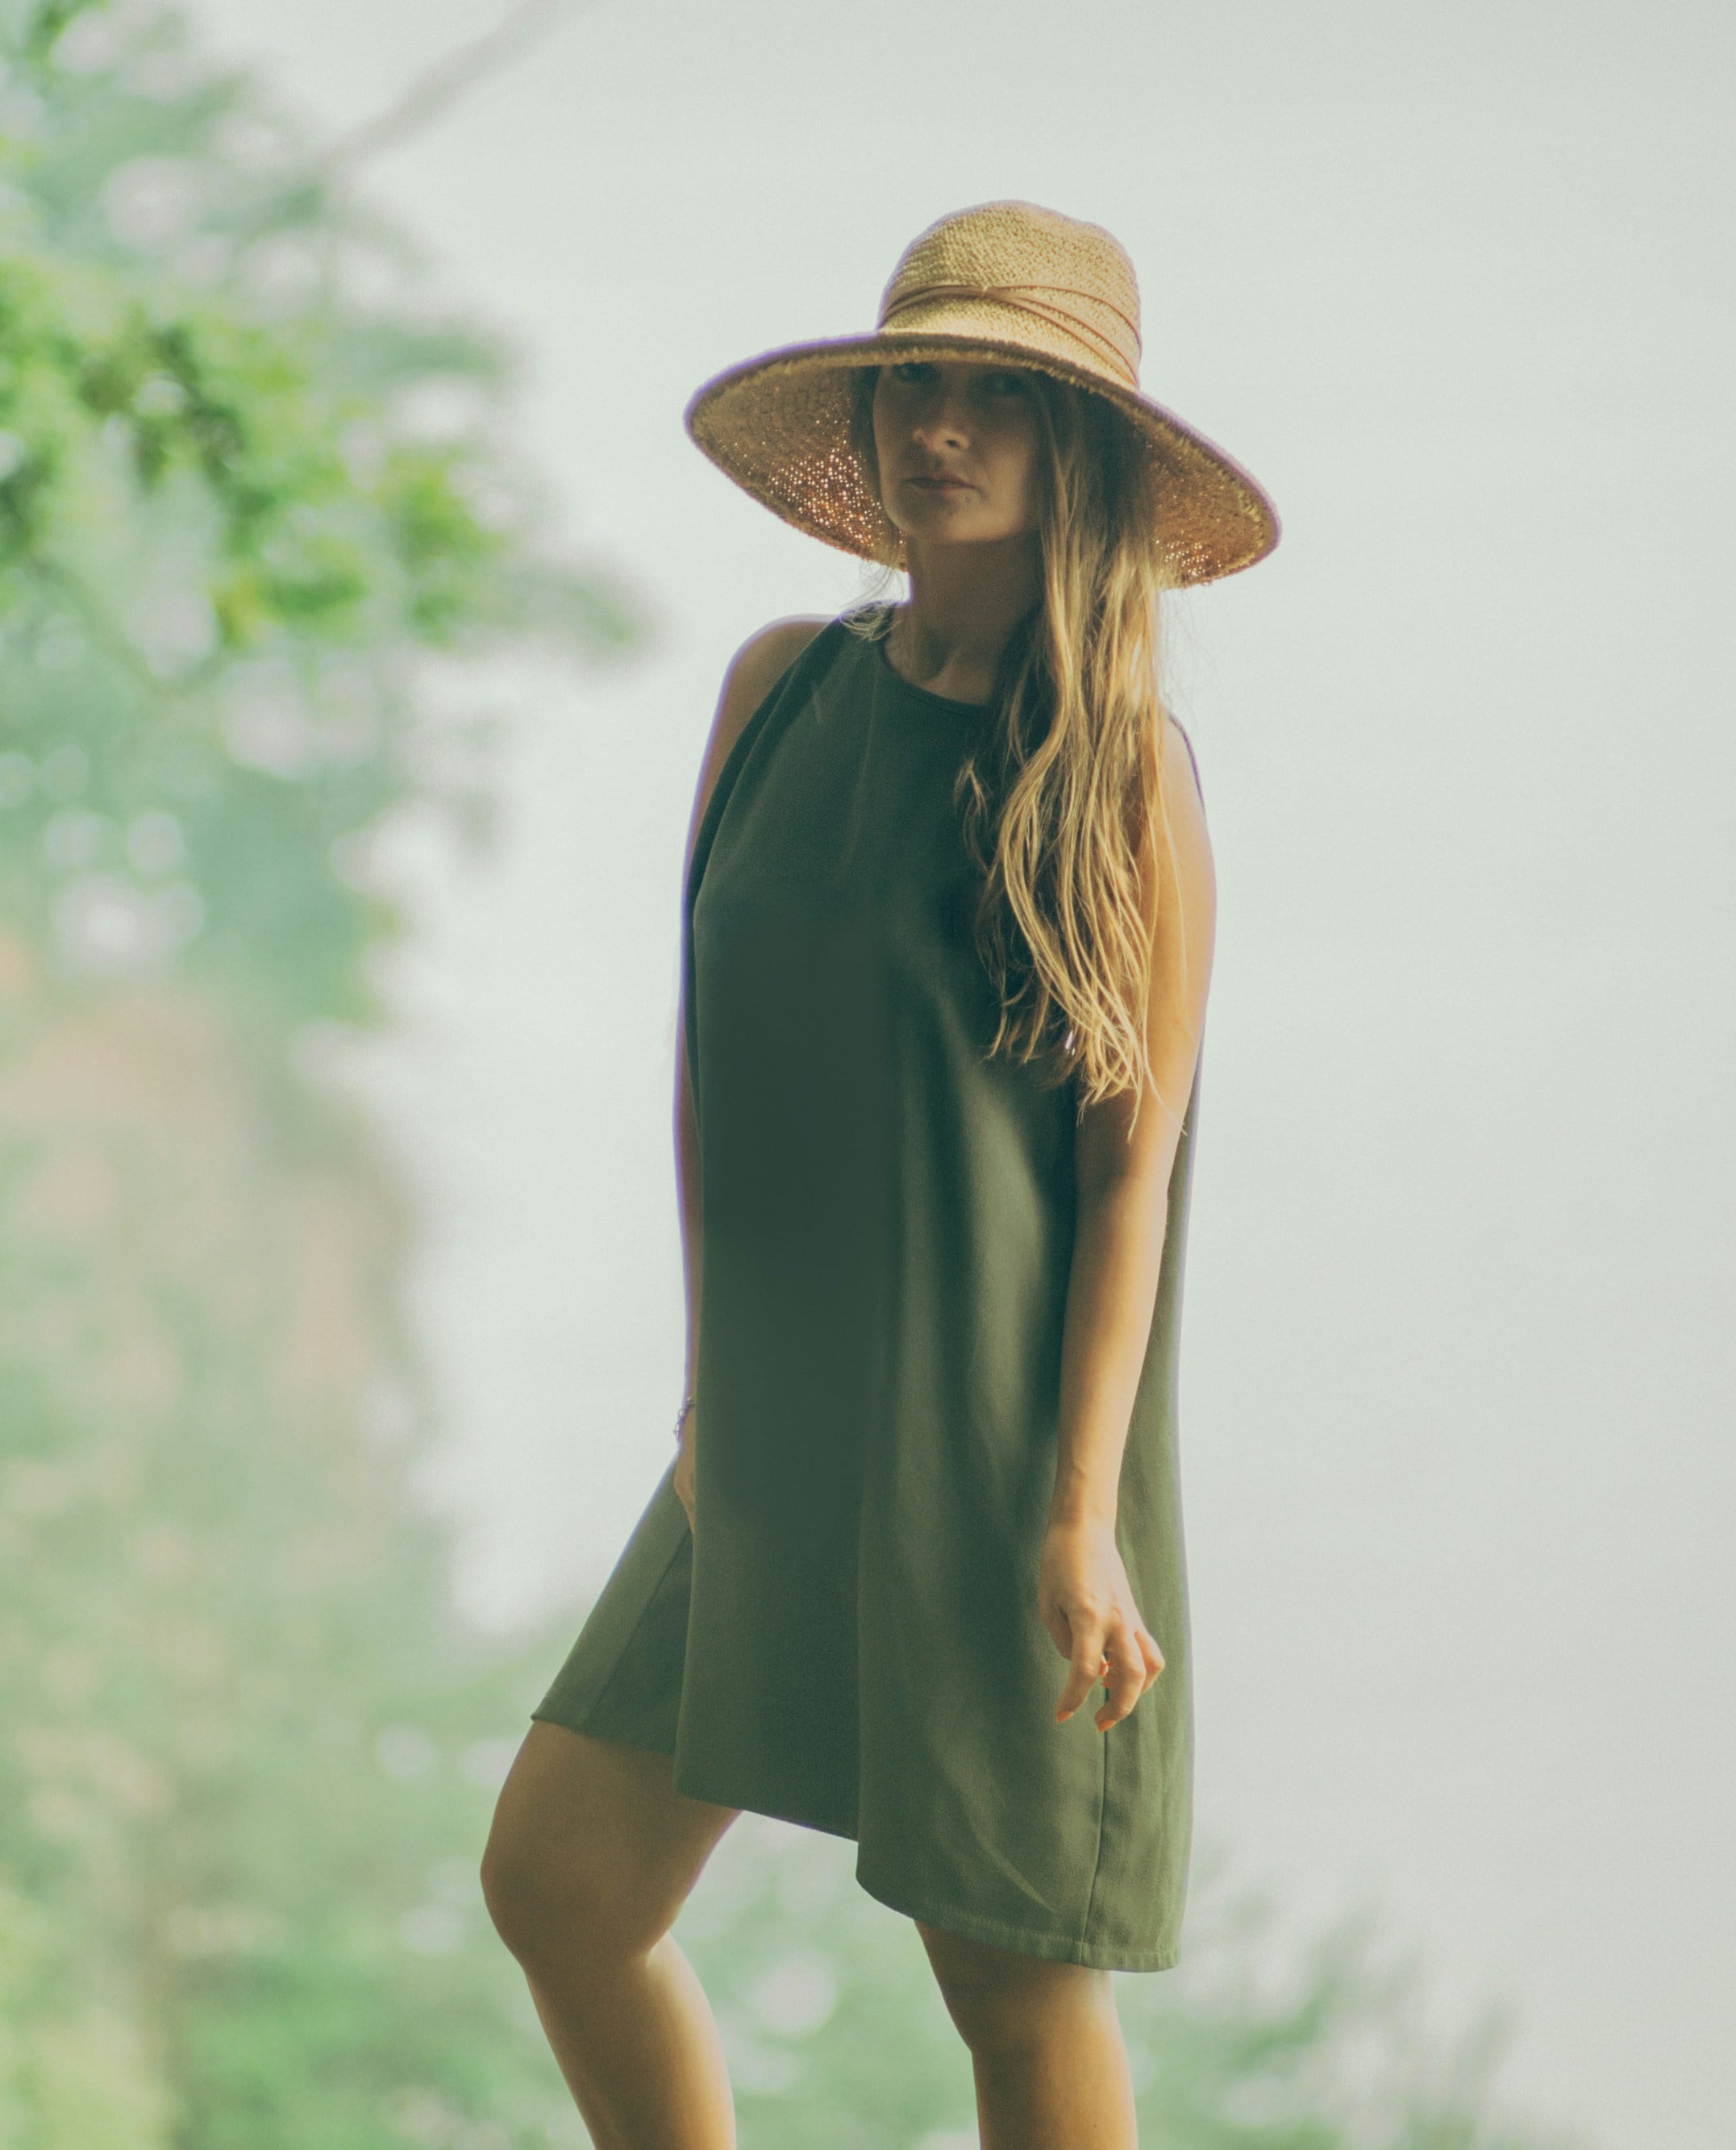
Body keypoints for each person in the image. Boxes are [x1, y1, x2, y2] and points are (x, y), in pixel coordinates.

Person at [475, 201, 1283, 2147]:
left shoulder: (1118, 772)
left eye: (995, 393)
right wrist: (708, 1389)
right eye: (915, 381)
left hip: (1003, 1450)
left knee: (1010, 1982)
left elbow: (1129, 1183)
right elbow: (708, 1070)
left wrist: (1074, 1515)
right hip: (769, 1428)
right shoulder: (777, 691)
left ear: (1075, 448)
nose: (940, 426)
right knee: (561, 1880)